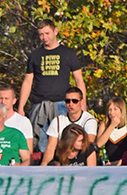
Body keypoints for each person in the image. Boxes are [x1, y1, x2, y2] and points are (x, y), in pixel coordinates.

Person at [18, 19, 86, 153]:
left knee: (65, 144)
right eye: (41, 34)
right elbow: (27, 81)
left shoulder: (68, 53)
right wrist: (21, 107)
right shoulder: (35, 55)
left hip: (63, 105)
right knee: (43, 145)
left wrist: (82, 103)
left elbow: (79, 79)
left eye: (47, 33)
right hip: (40, 106)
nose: (44, 37)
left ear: (55, 31)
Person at [40, 87, 97, 166]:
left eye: (75, 101)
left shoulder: (89, 120)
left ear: (81, 102)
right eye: (67, 101)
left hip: (82, 160)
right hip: (63, 159)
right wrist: (43, 165)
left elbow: (88, 143)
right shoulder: (57, 121)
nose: (71, 104)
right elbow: (50, 147)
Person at [0, 85, 34, 153]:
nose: (3, 102)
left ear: (14, 101)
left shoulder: (23, 122)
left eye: (6, 99)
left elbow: (28, 151)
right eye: (1, 98)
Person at [95, 97, 127, 165]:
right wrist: (112, 126)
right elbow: (99, 144)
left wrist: (119, 162)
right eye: (110, 109)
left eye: (115, 109)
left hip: (123, 165)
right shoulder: (104, 126)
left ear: (121, 111)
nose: (111, 113)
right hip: (106, 165)